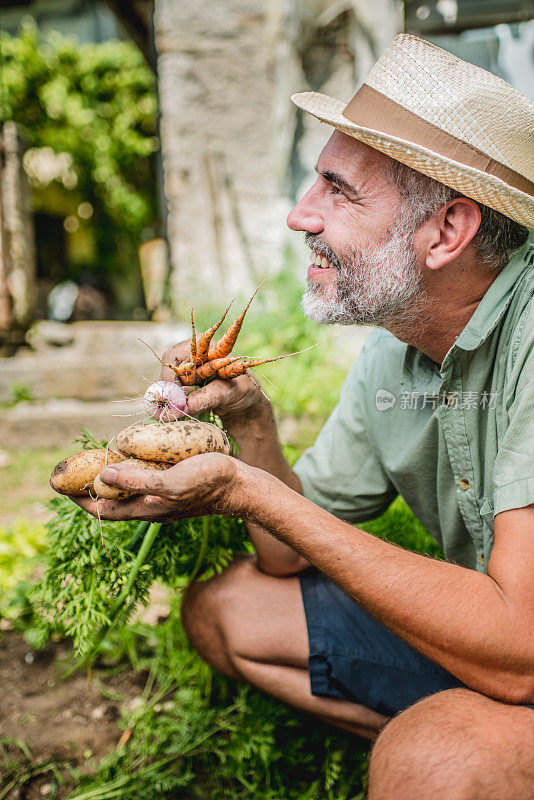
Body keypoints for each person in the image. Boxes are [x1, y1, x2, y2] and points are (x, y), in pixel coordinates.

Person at [76, 34, 534, 799]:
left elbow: (520, 648)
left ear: (446, 232)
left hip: (518, 644)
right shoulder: (398, 350)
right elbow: (284, 559)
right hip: (507, 645)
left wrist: (247, 492)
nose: (300, 216)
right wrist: (252, 425)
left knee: (433, 762)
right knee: (230, 611)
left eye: (338, 190)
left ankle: (453, 757)